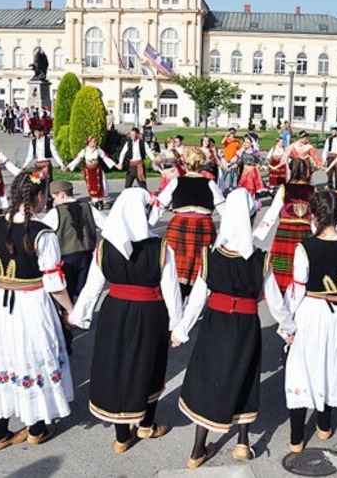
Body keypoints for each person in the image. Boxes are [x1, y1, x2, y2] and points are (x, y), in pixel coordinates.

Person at [172, 189, 295, 468]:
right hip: (246, 325)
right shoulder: (260, 260)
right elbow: (276, 302)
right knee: (245, 374)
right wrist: (288, 327)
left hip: (216, 324)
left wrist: (180, 331)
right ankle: (242, 443)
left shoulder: (211, 257)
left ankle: (197, 450)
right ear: (252, 218)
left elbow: (197, 301)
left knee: (208, 378)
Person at [70, 188, 182, 453]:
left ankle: (122, 436)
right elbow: (172, 291)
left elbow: (92, 288)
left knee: (117, 366)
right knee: (148, 364)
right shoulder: (161, 248)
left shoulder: (104, 246)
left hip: (115, 312)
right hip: (150, 312)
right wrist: (176, 325)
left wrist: (79, 315)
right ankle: (146, 424)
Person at [0, 171, 74, 451]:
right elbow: (53, 281)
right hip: (32, 304)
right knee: (31, 358)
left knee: (6, 360)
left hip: (1, 302)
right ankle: (36, 427)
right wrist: (70, 309)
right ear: (39, 196)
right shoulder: (42, 232)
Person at [284, 191, 337, 452]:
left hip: (310, 312)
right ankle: (324, 426)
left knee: (301, 368)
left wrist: (287, 324)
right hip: (336, 312)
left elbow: (296, 292)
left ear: (314, 217)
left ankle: (296, 437)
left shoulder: (305, 248)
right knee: (330, 362)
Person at [41, 180, 106, 356]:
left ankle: (67, 321)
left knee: (66, 291)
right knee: (86, 289)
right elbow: (106, 225)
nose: (53, 200)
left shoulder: (56, 212)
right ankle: (83, 319)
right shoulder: (89, 208)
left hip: (66, 259)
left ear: (61, 195)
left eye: (54, 197)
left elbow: (41, 231)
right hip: (88, 255)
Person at [150, 147, 226, 297]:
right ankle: (196, 298)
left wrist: (148, 225)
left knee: (175, 264)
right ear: (201, 165)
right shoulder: (209, 183)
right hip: (203, 228)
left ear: (185, 164)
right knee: (201, 263)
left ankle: (176, 299)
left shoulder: (176, 182)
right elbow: (223, 208)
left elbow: (160, 204)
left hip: (179, 226)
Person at [254, 159, 315, 293]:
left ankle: (280, 290)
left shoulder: (284, 188)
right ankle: (300, 289)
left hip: (285, 231)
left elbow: (272, 212)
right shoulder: (312, 190)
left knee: (283, 265)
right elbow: (315, 217)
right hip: (305, 231)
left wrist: (257, 234)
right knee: (302, 262)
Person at [63, 136, 114, 209]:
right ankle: (95, 202)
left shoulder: (98, 150)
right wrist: (68, 166)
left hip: (97, 171)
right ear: (89, 142)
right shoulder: (84, 151)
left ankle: (100, 202)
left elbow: (105, 157)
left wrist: (114, 165)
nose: (95, 142)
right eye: (93, 141)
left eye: (95, 141)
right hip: (89, 171)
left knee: (99, 186)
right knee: (91, 186)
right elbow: (77, 159)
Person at [22, 124, 64, 207]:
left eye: (37, 132)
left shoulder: (48, 141)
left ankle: (48, 204)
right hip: (38, 165)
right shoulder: (33, 142)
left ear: (42, 132)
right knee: (36, 183)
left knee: (47, 184)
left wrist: (61, 164)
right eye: (35, 132)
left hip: (46, 165)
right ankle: (39, 203)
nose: (35, 134)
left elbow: (55, 154)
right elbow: (30, 155)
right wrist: (24, 166)